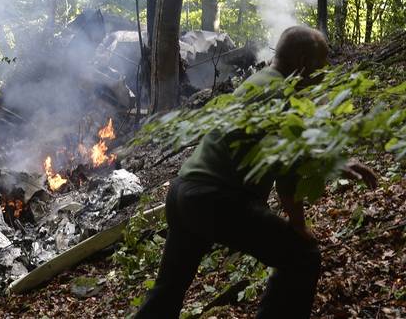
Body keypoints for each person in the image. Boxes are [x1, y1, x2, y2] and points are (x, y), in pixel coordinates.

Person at [134, 26, 378, 319]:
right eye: (322, 63)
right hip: (216, 199)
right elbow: (287, 175)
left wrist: (336, 160)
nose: (324, 71)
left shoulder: (259, 82)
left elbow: (297, 142)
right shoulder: (282, 95)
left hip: (183, 193)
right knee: (302, 257)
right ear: (303, 61)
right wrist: (298, 225)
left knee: (168, 289)